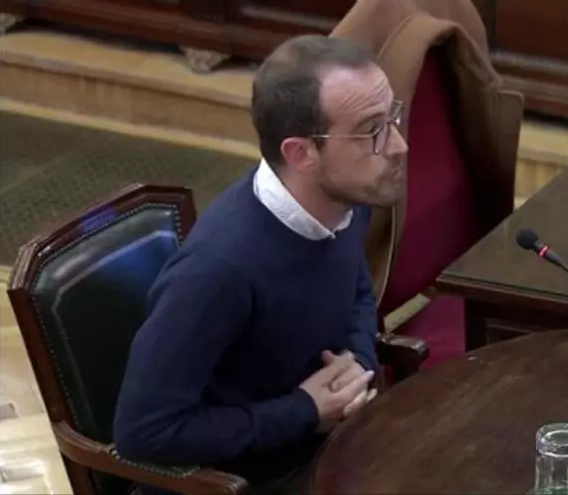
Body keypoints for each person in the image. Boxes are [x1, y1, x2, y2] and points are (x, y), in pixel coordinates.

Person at [113, 34, 409, 495]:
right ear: (301, 154)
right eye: (373, 130)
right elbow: (144, 433)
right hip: (237, 483)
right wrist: (304, 411)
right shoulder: (217, 272)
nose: (399, 145)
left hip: (323, 451)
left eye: (393, 117)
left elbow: (356, 291)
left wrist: (357, 364)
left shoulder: (346, 201)